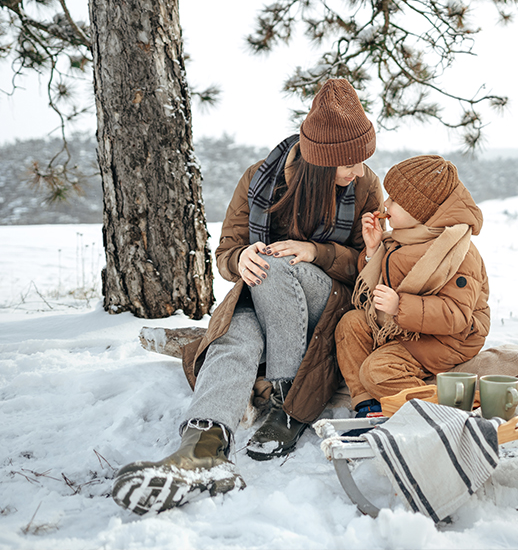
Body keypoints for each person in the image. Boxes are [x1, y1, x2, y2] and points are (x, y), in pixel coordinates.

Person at [112, 78, 383, 515]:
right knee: (236, 335)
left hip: (327, 302)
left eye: (361, 159)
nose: (359, 170)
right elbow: (225, 252)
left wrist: (317, 252)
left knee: (276, 268)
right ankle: (202, 449)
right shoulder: (260, 179)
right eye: (348, 162)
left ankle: (286, 398)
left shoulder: (365, 187)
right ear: (320, 162)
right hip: (262, 299)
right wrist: (240, 261)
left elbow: (370, 263)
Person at [335, 154, 490, 417]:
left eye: (395, 200)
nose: (385, 204)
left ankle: (447, 407)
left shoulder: (456, 251)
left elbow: (457, 315)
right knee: (351, 324)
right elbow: (383, 281)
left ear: (420, 209)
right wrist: (373, 250)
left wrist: (400, 306)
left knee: (377, 370)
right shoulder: (401, 238)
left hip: (446, 339)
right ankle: (369, 404)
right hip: (407, 328)